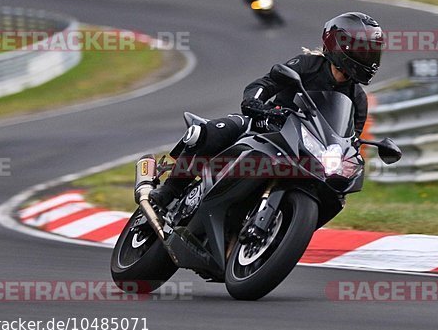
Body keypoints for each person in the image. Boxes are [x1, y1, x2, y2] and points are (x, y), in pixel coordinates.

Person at [150, 12, 385, 208]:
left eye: (372, 51)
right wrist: (256, 104)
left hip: (308, 153)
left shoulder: (357, 99)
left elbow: (350, 140)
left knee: (335, 196)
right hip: (267, 126)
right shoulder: (308, 65)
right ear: (340, 43)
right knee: (212, 131)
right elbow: (265, 84)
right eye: (364, 50)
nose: (370, 58)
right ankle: (170, 191)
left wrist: (351, 157)